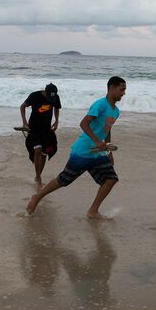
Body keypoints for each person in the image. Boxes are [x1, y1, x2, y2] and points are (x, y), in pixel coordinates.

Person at [26, 76, 126, 219]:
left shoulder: (115, 111)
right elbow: (83, 124)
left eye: (124, 90)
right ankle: (37, 197)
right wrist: (97, 141)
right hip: (83, 151)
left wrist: (108, 150)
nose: (124, 93)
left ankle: (93, 211)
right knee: (63, 180)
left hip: (98, 154)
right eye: (122, 89)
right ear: (111, 88)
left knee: (111, 179)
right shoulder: (100, 104)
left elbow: (107, 129)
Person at [20, 83, 62, 188]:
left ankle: (38, 176)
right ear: (45, 92)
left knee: (45, 153)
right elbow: (22, 106)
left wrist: (56, 120)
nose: (50, 99)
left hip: (46, 129)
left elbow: (57, 108)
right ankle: (38, 177)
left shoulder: (55, 97)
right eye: (48, 97)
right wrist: (24, 121)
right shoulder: (35, 96)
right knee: (37, 149)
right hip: (34, 128)